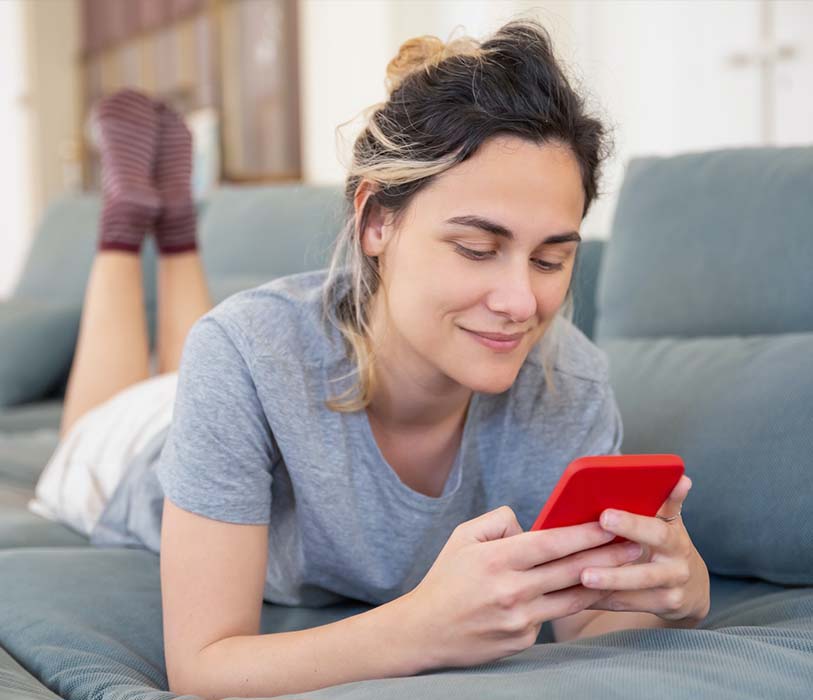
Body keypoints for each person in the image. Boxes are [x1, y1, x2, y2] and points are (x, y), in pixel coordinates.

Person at [30, 18, 709, 699]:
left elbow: (587, 623)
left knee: (197, 355)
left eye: (550, 258)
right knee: (108, 410)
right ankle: (129, 222)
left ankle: (176, 220)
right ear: (376, 222)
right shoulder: (243, 353)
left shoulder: (569, 384)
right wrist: (418, 628)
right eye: (476, 248)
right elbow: (203, 669)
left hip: (232, 375)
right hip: (136, 449)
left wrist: (674, 592)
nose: (520, 300)